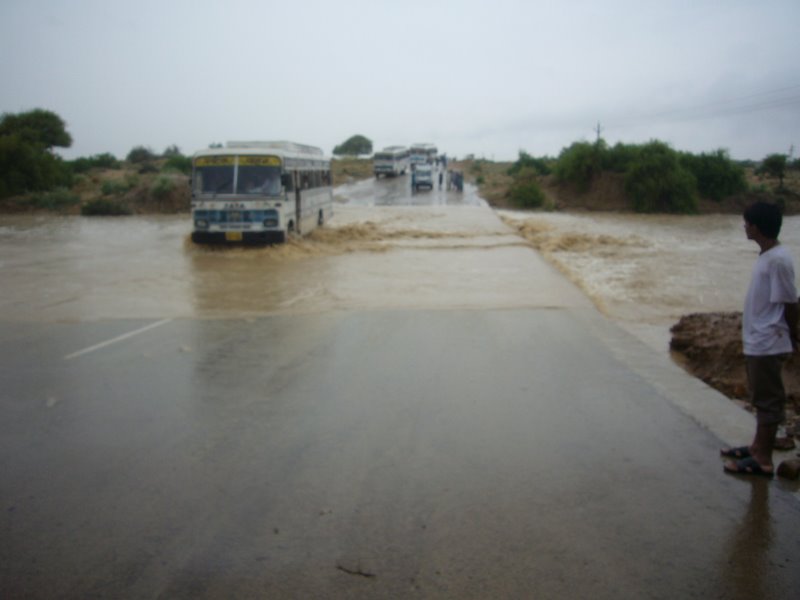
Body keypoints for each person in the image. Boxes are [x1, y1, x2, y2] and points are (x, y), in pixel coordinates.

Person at [722, 202, 798, 477]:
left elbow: (790, 302)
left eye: (747, 223)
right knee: (761, 397)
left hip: (769, 340)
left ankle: (763, 459)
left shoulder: (778, 260)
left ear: (756, 227)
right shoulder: (767, 256)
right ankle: (756, 447)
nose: (744, 227)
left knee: (768, 401)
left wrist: (795, 335)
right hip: (759, 340)